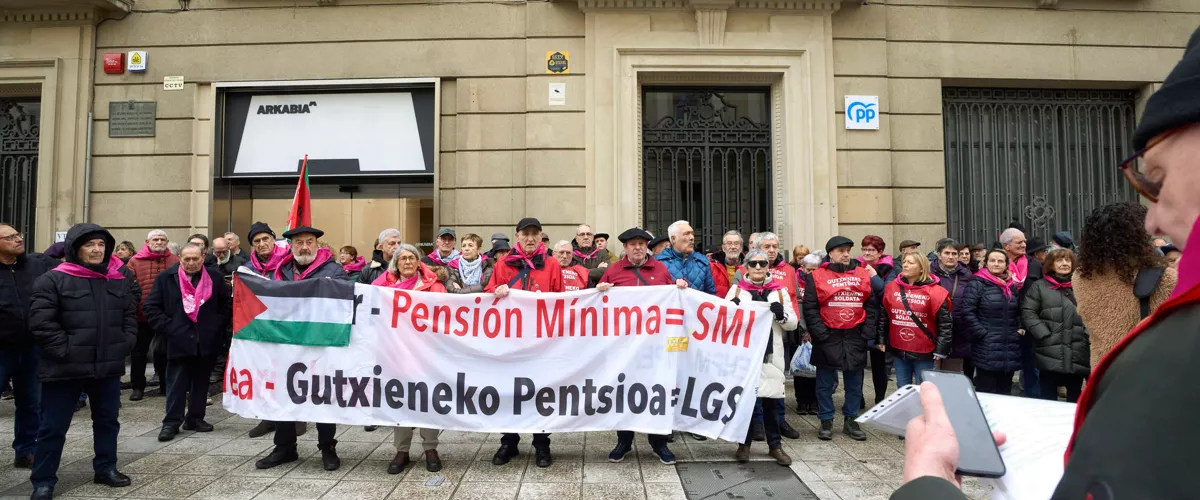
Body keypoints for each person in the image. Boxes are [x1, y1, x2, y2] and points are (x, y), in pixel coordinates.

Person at [892, 27, 1200, 498]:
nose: (1154, 217)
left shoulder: (1176, 348)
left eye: (1156, 177)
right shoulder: (1143, 300)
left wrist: (928, 481)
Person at [29, 223, 137, 499]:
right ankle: (43, 481)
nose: (97, 250)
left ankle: (106, 468)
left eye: (101, 245)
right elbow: (41, 323)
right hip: (64, 368)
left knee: (107, 421)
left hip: (107, 366)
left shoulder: (117, 280)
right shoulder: (52, 279)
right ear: (75, 249)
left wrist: (124, 344)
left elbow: (129, 317)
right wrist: (65, 350)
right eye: (90, 245)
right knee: (53, 427)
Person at [256, 226, 348, 471]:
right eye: (299, 243)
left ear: (317, 245)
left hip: (320, 345)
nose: (304, 246)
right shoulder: (280, 270)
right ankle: (285, 446)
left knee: (322, 394)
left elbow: (345, 303)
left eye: (309, 242)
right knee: (283, 393)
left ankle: (327, 446)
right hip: (286, 344)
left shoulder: (334, 270)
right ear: (291, 246)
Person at [596, 228, 686, 465]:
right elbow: (599, 306)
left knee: (656, 391)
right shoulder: (614, 270)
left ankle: (659, 444)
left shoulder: (660, 269)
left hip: (653, 348)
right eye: (632, 244)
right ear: (625, 248)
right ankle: (624, 441)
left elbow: (674, 300)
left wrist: (679, 287)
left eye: (641, 243)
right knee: (624, 392)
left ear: (647, 246)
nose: (637, 247)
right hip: (622, 348)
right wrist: (601, 290)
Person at [487, 217, 564, 468]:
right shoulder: (503, 263)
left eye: (534, 234)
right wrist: (495, 292)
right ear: (517, 235)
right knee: (509, 390)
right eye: (525, 234)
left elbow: (560, 300)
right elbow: (488, 295)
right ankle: (509, 441)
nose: (530, 238)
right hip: (510, 340)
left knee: (541, 391)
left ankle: (541, 443)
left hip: (541, 341)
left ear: (541, 236)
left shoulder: (552, 264)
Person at [369, 243, 446, 474]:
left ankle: (430, 448)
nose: (408, 262)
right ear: (395, 263)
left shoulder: (435, 286)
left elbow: (445, 316)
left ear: (419, 261)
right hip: (397, 354)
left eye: (412, 257)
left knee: (427, 401)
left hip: (426, 354)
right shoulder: (382, 287)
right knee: (400, 400)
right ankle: (402, 450)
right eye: (403, 258)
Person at [143, 243, 231, 441]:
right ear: (180, 259)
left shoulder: (214, 277)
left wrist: (216, 323)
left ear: (203, 257)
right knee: (177, 383)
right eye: (187, 259)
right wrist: (170, 327)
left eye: (195, 259)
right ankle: (171, 422)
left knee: (201, 383)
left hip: (205, 339)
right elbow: (151, 307)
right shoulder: (166, 278)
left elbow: (226, 303)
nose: (191, 263)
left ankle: (195, 418)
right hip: (178, 340)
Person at [1073, 202, 1176, 369]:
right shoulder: (1165, 279)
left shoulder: (1081, 277)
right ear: (1139, 236)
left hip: (1102, 374)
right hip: (1145, 373)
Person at [803, 236, 879, 441]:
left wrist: (866, 333)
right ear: (831, 254)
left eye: (848, 250)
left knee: (854, 382)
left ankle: (851, 420)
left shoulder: (862, 274)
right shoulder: (817, 276)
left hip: (855, 335)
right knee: (825, 382)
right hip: (828, 336)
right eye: (841, 251)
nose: (846, 254)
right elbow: (810, 307)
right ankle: (826, 420)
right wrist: (820, 334)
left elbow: (871, 305)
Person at [0, 225, 58, 469]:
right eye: (10, 237)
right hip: (2, 348)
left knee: (31, 401)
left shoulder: (36, 265)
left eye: (18, 235)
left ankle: (26, 449)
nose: (18, 239)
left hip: (32, 346)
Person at [739, 232, 802, 441]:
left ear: (768, 266)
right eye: (753, 263)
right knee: (747, 399)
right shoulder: (737, 292)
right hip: (747, 353)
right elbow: (725, 323)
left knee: (773, 400)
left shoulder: (780, 292)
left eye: (762, 263)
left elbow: (792, 323)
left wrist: (781, 314)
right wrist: (733, 311)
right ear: (746, 266)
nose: (758, 268)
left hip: (772, 351)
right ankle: (745, 443)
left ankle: (775, 445)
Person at [1020, 247, 1089, 403]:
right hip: (1049, 351)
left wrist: (1086, 334)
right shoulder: (1039, 286)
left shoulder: (1083, 286)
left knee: (1075, 398)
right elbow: (1028, 312)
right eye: (1059, 260)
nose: (1064, 263)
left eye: (1067, 260)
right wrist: (1044, 334)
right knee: (1048, 399)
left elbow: (1095, 312)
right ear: (1051, 264)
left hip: (1077, 350)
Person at [876, 252, 951, 387]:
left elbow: (945, 324)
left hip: (924, 350)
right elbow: (884, 315)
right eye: (905, 261)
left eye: (910, 263)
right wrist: (881, 338)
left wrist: (941, 349)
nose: (905, 264)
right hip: (899, 348)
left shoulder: (936, 292)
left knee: (924, 388)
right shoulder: (892, 287)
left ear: (922, 268)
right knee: (902, 388)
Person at [126, 229, 178, 402]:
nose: (159, 242)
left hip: (166, 315)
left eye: (163, 239)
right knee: (138, 351)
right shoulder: (134, 261)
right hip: (141, 314)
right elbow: (128, 287)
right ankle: (137, 386)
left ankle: (165, 384)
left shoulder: (175, 260)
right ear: (147, 242)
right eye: (155, 239)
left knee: (164, 351)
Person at [961, 249, 1021, 395]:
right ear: (986, 263)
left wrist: (1019, 329)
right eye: (992, 260)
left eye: (1000, 261)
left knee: (1005, 391)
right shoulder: (977, 283)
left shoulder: (1011, 285)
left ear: (1006, 265)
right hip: (986, 345)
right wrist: (982, 333)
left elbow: (1018, 310)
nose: (996, 263)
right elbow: (967, 312)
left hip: (1009, 345)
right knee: (986, 391)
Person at [930, 239, 973, 376]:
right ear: (939, 254)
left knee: (952, 375)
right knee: (932, 374)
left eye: (954, 253)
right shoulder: (928, 273)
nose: (951, 256)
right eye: (947, 253)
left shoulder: (966, 275)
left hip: (958, 330)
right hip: (933, 329)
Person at [792, 253, 822, 415]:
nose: (811, 273)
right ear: (802, 268)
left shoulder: (822, 281)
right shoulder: (796, 280)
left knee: (817, 366)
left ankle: (814, 401)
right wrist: (803, 329)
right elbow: (796, 303)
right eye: (808, 269)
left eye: (814, 270)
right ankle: (802, 401)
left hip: (818, 327)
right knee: (801, 366)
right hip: (800, 327)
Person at [657, 221, 716, 295]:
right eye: (686, 234)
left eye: (692, 234)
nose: (692, 238)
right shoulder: (659, 263)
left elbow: (710, 295)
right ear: (673, 239)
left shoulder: (702, 262)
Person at [709, 230, 744, 298]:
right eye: (729, 243)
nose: (733, 247)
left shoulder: (750, 265)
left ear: (741, 247)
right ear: (723, 247)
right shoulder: (711, 265)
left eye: (736, 243)